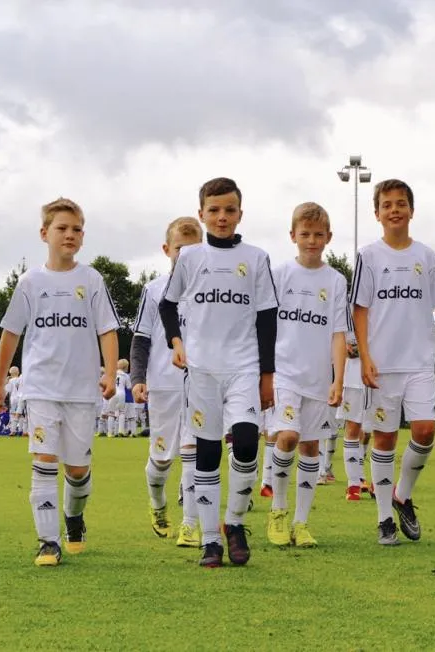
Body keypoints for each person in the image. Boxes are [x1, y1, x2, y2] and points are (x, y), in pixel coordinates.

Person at [0, 197, 119, 567]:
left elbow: (107, 330)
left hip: (81, 390)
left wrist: (110, 374)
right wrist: (0, 383)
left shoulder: (91, 279)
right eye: (62, 228)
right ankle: (48, 541)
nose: (70, 235)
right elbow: (10, 334)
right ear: (44, 233)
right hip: (41, 387)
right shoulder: (30, 282)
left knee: (77, 471)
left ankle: (74, 517)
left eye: (76, 229)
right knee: (44, 460)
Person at [159, 177, 278, 568]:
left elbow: (267, 318)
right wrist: (177, 343)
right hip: (202, 370)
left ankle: (235, 523)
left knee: (246, 442)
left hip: (244, 367)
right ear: (202, 214)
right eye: (214, 210)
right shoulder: (190, 258)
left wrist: (267, 374)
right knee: (208, 452)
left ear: (240, 213)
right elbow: (167, 305)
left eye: (229, 210)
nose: (222, 217)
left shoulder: (257, 258)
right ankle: (210, 540)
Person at [352, 178, 435, 546]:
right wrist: (366, 357)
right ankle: (385, 517)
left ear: (411, 211)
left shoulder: (425, 256)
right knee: (384, 438)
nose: (395, 210)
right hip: (382, 367)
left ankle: (402, 494)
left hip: (419, 363)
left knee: (425, 432)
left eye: (401, 203)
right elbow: (360, 310)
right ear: (377, 214)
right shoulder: (368, 256)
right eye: (387, 205)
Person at [265, 202, 348, 548]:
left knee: (312, 446)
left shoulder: (336, 281)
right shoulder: (280, 274)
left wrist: (338, 379)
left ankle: (301, 523)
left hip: (317, 379)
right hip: (284, 373)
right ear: (293, 236)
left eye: (318, 234)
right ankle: (278, 510)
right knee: (287, 437)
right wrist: (265, 372)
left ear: (328, 237)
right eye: (305, 234)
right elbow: (266, 324)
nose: (311, 240)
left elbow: (338, 334)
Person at [130, 216, 203, 546]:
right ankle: (158, 506)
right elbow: (141, 338)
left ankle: (190, 524)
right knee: (161, 460)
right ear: (166, 250)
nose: (186, 256)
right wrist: (137, 377)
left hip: (200, 384)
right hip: (163, 385)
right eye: (179, 249)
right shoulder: (154, 289)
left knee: (193, 451)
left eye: (193, 249)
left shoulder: (210, 289)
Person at [338, 335, 373, 500]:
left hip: (378, 374)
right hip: (352, 378)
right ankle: (353, 484)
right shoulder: (344, 310)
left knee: (372, 430)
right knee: (353, 428)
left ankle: (370, 480)